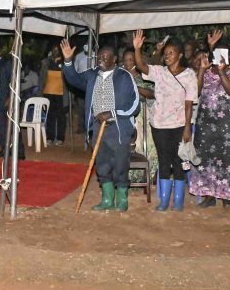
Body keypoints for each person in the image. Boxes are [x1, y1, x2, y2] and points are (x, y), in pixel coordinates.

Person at [61, 40, 139, 211]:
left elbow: (135, 104)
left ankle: (122, 200)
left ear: (114, 59)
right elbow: (73, 78)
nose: (100, 59)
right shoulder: (92, 75)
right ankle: (107, 199)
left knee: (120, 163)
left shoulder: (124, 77)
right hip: (97, 126)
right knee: (102, 162)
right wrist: (68, 61)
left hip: (118, 127)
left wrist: (113, 112)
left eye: (105, 57)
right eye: (99, 57)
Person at [132, 30, 197, 211]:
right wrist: (137, 49)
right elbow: (141, 66)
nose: (167, 56)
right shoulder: (159, 72)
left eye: (171, 53)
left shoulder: (189, 75)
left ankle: (178, 201)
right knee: (163, 160)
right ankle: (163, 201)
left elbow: (189, 104)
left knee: (178, 161)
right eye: (165, 53)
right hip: (159, 124)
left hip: (178, 125)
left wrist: (187, 128)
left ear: (180, 55)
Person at [190, 30, 230, 207]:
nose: (220, 57)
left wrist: (222, 73)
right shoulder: (205, 72)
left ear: (229, 57)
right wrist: (201, 70)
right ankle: (209, 196)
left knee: (228, 159)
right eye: (217, 54)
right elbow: (196, 92)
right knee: (206, 159)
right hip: (205, 124)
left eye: (224, 55)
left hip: (229, 126)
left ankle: (227, 196)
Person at [122, 47, 158, 183]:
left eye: (131, 59)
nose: (128, 63)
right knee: (131, 148)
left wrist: (135, 87)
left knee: (148, 147)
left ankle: (149, 176)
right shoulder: (120, 77)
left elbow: (152, 93)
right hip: (126, 117)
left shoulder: (145, 76)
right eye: (125, 60)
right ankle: (131, 178)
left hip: (144, 116)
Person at [39, 45, 66, 145]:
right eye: (53, 50)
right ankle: (50, 137)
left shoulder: (64, 62)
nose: (55, 52)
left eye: (57, 50)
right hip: (48, 93)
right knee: (50, 116)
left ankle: (60, 138)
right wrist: (39, 94)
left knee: (61, 117)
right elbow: (41, 79)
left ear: (60, 51)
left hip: (61, 94)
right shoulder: (46, 62)